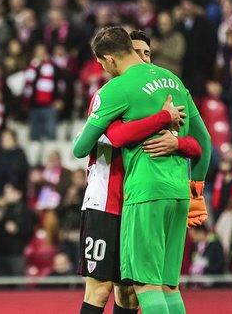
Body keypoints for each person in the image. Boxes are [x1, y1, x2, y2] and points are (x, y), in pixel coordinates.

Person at [73, 27, 211, 314]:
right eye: (139, 52)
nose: (145, 59)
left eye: (148, 53)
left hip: (142, 194)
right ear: (129, 51)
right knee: (107, 288)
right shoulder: (167, 82)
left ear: (109, 58)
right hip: (111, 200)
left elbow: (82, 146)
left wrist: (177, 141)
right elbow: (203, 143)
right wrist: (165, 118)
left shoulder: (119, 90)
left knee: (136, 291)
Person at [0, 184, 35, 276]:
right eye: (5, 192)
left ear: (18, 194)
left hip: (17, 253)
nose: (6, 195)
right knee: (2, 284)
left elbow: (29, 230)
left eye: (9, 192)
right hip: (1, 253)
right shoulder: (0, 207)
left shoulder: (25, 210)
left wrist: (17, 229)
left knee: (18, 281)